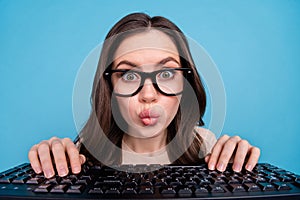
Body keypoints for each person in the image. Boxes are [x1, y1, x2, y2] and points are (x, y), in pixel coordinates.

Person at [28, 13, 260, 178]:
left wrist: (241, 165)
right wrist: (49, 158)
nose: (148, 95)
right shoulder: (79, 156)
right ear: (110, 86)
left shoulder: (207, 147)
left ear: (186, 82)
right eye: (129, 75)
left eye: (166, 73)